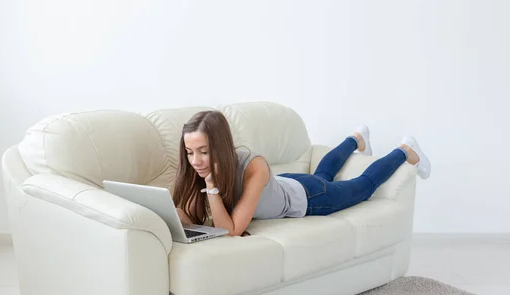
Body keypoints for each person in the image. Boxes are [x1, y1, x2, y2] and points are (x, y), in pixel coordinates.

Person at [173, 110, 431, 237]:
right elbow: (190, 215)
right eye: (189, 151)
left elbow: (230, 232)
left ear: (220, 146)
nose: (195, 161)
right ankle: (356, 139)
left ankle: (405, 151)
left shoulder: (254, 166)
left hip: (311, 199)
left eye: (204, 151)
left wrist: (210, 185)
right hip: (290, 184)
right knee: (323, 173)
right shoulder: (200, 168)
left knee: (362, 186)